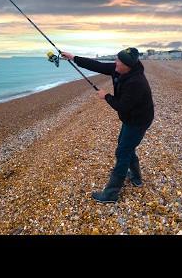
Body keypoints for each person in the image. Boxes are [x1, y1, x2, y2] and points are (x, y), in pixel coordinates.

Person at [60, 48, 154, 203]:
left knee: (122, 152)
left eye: (118, 61)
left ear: (128, 66)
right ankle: (136, 178)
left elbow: (122, 106)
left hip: (139, 120)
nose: (115, 63)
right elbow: (97, 65)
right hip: (130, 118)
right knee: (126, 147)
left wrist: (106, 96)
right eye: (116, 59)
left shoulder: (136, 82)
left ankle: (111, 193)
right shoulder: (119, 69)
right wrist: (73, 57)